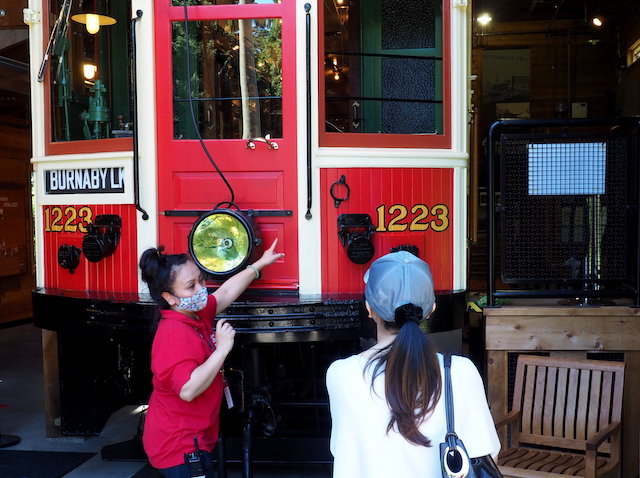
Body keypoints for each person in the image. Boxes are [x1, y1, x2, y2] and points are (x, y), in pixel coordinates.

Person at [326, 251, 500, 478]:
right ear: (431, 310)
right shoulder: (461, 372)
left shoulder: (341, 375)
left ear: (369, 308)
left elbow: (344, 454)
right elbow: (486, 456)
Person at [139, 238, 284, 478]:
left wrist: (259, 265)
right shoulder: (174, 334)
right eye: (190, 286)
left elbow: (226, 291)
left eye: (201, 280)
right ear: (170, 298)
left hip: (194, 440)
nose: (201, 290)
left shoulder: (192, 314)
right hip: (179, 448)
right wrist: (222, 349)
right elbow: (187, 389)